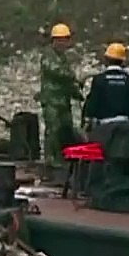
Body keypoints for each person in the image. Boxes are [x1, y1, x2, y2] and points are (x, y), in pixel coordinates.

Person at [37, 23, 84, 169]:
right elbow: (57, 72)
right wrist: (74, 77)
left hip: (64, 101)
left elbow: (67, 82)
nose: (64, 43)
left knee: (66, 128)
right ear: (54, 40)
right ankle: (51, 160)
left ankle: (64, 158)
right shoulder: (48, 55)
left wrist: (77, 93)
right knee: (53, 130)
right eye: (61, 40)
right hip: (52, 100)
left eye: (66, 40)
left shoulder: (63, 57)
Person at [82, 43, 129, 126]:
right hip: (125, 126)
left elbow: (93, 103)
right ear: (123, 60)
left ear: (106, 59)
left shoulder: (100, 79)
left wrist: (87, 119)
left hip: (104, 126)